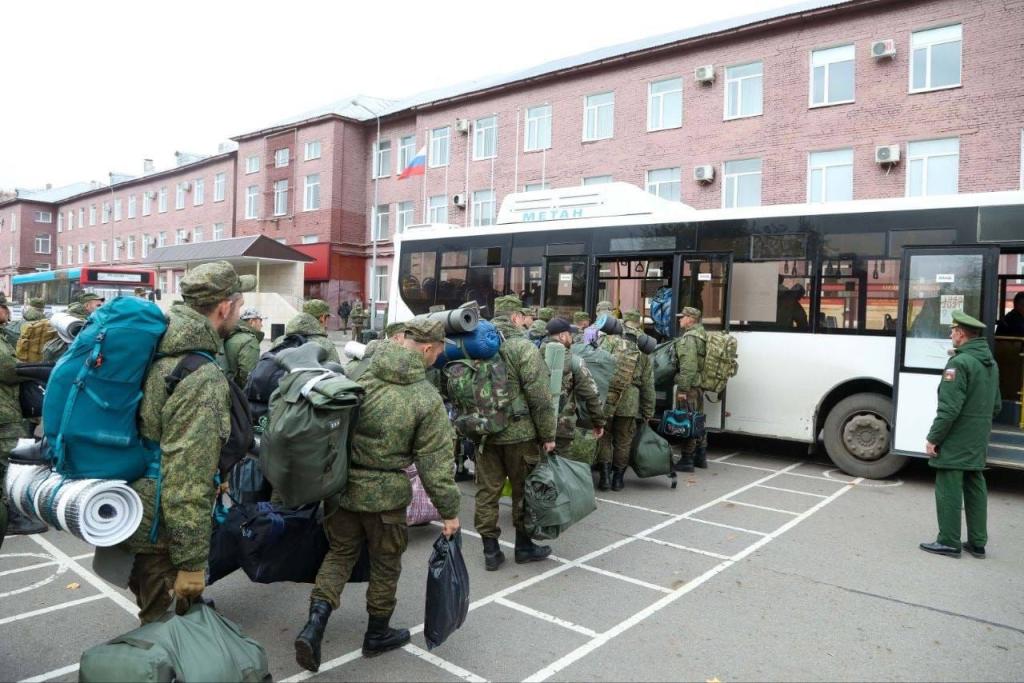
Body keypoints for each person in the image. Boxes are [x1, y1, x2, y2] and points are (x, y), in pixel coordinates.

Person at [294, 317, 461, 671]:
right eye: (439, 351)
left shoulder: (361, 373)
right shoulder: (425, 397)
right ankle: (377, 633)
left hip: (341, 488)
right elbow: (435, 464)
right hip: (386, 498)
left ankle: (314, 624)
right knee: (386, 564)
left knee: (340, 554)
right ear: (428, 349)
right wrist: (449, 512)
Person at [119, 261, 253, 623]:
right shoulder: (199, 373)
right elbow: (186, 477)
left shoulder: (158, 347)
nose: (238, 316)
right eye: (239, 307)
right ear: (223, 307)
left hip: (134, 502)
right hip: (162, 523)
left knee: (155, 611)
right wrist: (192, 562)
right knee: (163, 634)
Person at [477, 295, 556, 570]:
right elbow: (540, 397)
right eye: (522, 316)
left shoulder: (475, 345)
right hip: (519, 435)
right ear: (514, 318)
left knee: (487, 492)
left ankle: (490, 551)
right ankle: (523, 546)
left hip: (484, 431)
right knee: (524, 491)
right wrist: (548, 435)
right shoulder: (522, 348)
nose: (524, 321)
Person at [920, 310, 1000, 559]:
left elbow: (949, 409)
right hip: (978, 435)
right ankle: (977, 542)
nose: (951, 334)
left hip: (957, 436)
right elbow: (996, 405)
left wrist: (933, 438)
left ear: (962, 334)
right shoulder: (990, 362)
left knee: (948, 486)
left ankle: (949, 541)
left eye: (953, 330)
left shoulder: (959, 363)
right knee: (975, 483)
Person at [0, 295, 46, 542]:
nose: (8, 311)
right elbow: (8, 370)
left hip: (6, 410)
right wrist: (42, 369)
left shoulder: (4, 334)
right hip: (4, 415)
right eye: (4, 307)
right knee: (11, 462)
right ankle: (14, 518)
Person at [597, 311, 654, 491]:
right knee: (623, 440)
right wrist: (648, 411)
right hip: (629, 400)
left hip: (607, 397)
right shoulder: (642, 353)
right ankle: (618, 480)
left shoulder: (605, 343)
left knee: (604, 437)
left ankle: (604, 477)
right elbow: (648, 385)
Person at [542, 318, 605, 454]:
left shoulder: (533, 354)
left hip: (536, 424)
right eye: (570, 335)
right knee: (561, 467)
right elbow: (591, 394)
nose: (572, 338)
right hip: (562, 427)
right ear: (562, 336)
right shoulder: (575, 361)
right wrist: (598, 422)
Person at [673, 307, 708, 472]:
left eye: (683, 317)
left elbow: (688, 366)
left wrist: (682, 389)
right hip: (699, 385)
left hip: (690, 387)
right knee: (698, 420)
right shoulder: (702, 334)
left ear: (690, 319)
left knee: (687, 420)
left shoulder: (689, 338)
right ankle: (701, 456)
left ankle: (687, 459)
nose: (680, 320)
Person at [223, 307, 266, 388]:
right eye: (260, 320)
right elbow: (248, 377)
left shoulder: (232, 335)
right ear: (252, 322)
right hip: (237, 392)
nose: (262, 325)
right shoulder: (250, 341)